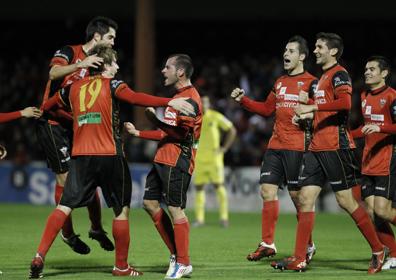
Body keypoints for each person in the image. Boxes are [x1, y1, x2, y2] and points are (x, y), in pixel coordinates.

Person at [29, 46, 195, 279]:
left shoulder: (71, 88)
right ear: (104, 66)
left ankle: (39, 256)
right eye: (114, 63)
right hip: (110, 155)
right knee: (121, 211)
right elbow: (137, 98)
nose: (117, 67)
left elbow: (47, 106)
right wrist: (170, 102)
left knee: (64, 206)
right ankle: (121, 267)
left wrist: (60, 116)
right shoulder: (114, 84)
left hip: (80, 156)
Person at [271, 32, 386, 274]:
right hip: (316, 147)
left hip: (336, 146)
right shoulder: (321, 79)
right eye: (315, 47)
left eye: (320, 47)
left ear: (333, 51)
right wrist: (306, 115)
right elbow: (321, 113)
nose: (315, 50)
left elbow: (344, 104)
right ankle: (300, 258)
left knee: (345, 201)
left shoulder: (339, 74)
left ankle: (378, 249)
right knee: (304, 199)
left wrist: (312, 105)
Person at [231, 35, 318, 262]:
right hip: (275, 145)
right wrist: (244, 101)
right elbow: (267, 109)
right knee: (266, 191)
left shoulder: (312, 83)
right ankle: (268, 243)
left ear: (302, 56)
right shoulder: (279, 82)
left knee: (298, 197)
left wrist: (308, 116)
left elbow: (323, 111)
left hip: (298, 146)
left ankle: (307, 245)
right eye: (285, 51)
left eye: (290, 51)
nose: (285, 55)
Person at [36, 16, 118, 254]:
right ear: (97, 36)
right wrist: (80, 65)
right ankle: (67, 233)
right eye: (111, 37)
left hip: (76, 125)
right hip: (52, 123)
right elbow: (53, 74)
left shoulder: (99, 63)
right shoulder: (69, 52)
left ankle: (95, 228)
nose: (113, 42)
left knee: (89, 176)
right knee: (65, 179)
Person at [124, 54, 202, 279]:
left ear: (180, 72)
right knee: (149, 203)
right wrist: (139, 133)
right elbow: (165, 133)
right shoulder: (176, 98)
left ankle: (184, 262)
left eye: (167, 67)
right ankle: (177, 255)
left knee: (176, 209)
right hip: (162, 158)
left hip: (177, 159)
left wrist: (155, 121)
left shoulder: (190, 100)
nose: (162, 71)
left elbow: (181, 134)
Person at [351, 56, 396, 270]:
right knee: (370, 212)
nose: (367, 72)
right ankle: (394, 254)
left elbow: (385, 127)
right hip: (368, 161)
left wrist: (381, 128)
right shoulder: (363, 95)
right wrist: (348, 136)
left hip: (387, 160)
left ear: (384, 73)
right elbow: (366, 126)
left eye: (372, 69)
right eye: (366, 69)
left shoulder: (392, 96)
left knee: (383, 212)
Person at [192, 95, 236, 228]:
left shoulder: (216, 116)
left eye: (205, 102)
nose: (203, 105)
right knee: (199, 187)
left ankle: (224, 218)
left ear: (208, 104)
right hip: (199, 158)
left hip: (214, 158)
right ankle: (199, 220)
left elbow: (232, 130)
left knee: (219, 186)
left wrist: (224, 148)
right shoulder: (194, 119)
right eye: (201, 103)